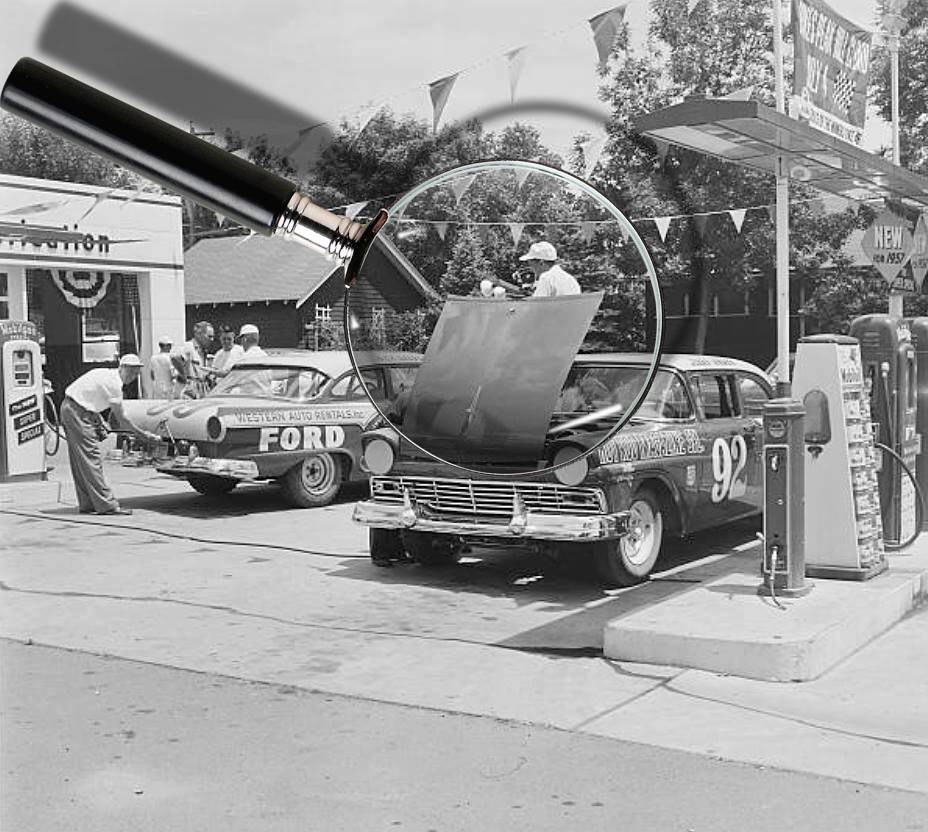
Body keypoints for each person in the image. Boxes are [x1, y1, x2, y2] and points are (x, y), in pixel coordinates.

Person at [60, 354, 162, 516]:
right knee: (91, 458)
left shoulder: (105, 373)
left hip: (72, 407)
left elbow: (89, 397)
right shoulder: (114, 384)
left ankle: (88, 503)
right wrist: (143, 435)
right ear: (121, 367)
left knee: (81, 460)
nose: (132, 376)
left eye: (136, 373)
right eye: (130, 371)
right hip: (76, 412)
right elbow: (122, 419)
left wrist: (97, 420)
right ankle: (107, 505)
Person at [171, 320, 214, 398]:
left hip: (200, 391)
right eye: (209, 336)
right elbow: (175, 357)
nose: (212, 339)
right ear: (199, 334)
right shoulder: (188, 346)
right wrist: (184, 376)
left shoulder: (204, 352)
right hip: (188, 393)